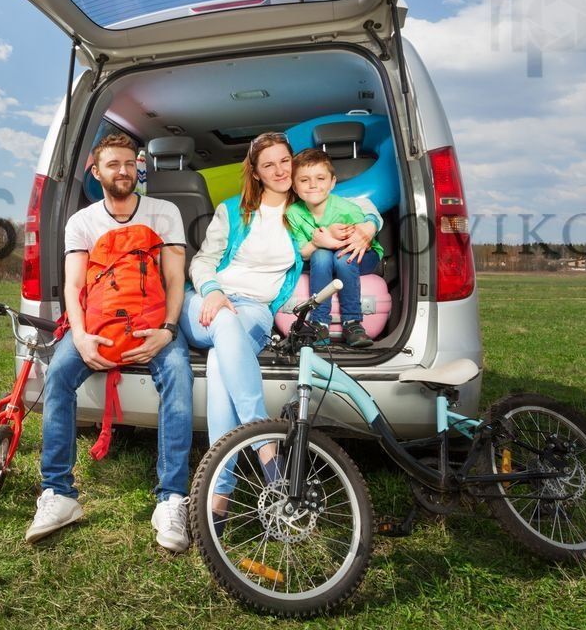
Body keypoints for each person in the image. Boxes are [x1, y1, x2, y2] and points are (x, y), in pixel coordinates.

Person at [26, 132, 194, 552]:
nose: (123, 171)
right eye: (113, 164)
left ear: (139, 168)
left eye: (129, 164)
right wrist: (81, 337)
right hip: (96, 323)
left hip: (154, 322)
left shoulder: (165, 212)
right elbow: (74, 285)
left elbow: (175, 278)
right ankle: (59, 493)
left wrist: (168, 330)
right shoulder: (81, 222)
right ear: (96, 172)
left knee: (178, 373)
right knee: (58, 375)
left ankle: (171, 499)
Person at [179, 132, 304, 521]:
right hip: (205, 302)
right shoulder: (232, 210)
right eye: (269, 165)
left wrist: (367, 225)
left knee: (221, 363)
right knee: (223, 320)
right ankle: (264, 443)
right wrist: (213, 290)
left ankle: (219, 494)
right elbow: (203, 261)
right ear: (256, 172)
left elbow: (359, 210)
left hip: (254, 310)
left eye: (285, 161)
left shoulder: (305, 213)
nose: (279, 170)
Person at [287, 148, 384, 348]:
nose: (313, 185)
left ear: (332, 183)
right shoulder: (293, 213)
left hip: (360, 255)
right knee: (321, 255)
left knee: (342, 257)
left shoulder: (346, 209)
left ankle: (352, 322)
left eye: (320, 178)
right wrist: (318, 242)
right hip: (322, 261)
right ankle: (319, 324)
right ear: (294, 186)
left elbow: (363, 242)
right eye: (304, 180)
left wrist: (332, 240)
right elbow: (302, 252)